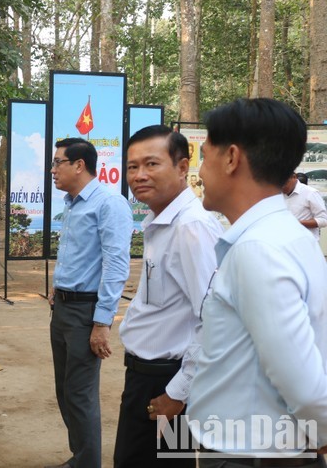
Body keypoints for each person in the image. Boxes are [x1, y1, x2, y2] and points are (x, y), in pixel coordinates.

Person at [188, 98, 327, 466]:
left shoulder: (258, 249)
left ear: (232, 158)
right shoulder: (286, 236)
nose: (199, 171)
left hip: (251, 453)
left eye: (204, 156)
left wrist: (323, 436)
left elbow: (304, 385)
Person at [115, 125, 222, 468]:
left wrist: (178, 393)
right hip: (147, 377)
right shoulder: (160, 221)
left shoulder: (190, 228)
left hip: (166, 381)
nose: (139, 175)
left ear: (181, 167)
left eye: (151, 164)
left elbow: (216, 317)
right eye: (132, 167)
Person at [46, 138, 132, 468]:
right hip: (64, 309)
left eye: (58, 163)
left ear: (79, 165)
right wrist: (57, 286)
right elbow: (77, 255)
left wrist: (101, 322)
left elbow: (115, 265)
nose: (53, 170)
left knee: (80, 395)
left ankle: (87, 463)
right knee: (65, 391)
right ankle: (80, 456)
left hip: (86, 313)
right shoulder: (73, 202)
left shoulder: (109, 204)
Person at [282, 172, 327, 241]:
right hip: (285, 244)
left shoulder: (311, 193)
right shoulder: (278, 194)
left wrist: (297, 223)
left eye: (284, 183)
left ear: (294, 177)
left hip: (306, 244)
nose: (282, 187)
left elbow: (323, 220)